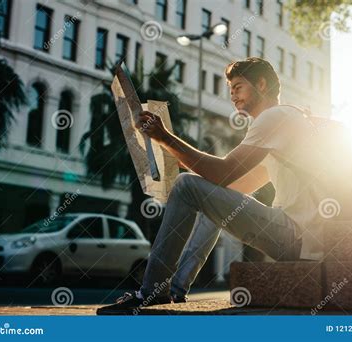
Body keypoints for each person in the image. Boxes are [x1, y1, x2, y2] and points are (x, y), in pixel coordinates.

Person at [96, 57, 329, 314]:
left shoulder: (274, 117)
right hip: (299, 237)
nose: (233, 96)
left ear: (261, 84)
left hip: (296, 235)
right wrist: (176, 155)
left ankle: (151, 292)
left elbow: (224, 172)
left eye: (238, 87)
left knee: (186, 185)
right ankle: (175, 288)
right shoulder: (283, 123)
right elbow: (233, 186)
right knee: (208, 199)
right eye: (230, 90)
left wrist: (165, 138)